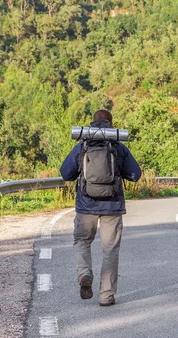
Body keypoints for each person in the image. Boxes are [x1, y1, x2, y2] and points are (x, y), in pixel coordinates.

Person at [60, 110, 141, 306]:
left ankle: (84, 274)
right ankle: (106, 296)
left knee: (81, 241)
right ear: (111, 124)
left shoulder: (83, 146)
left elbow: (65, 173)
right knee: (110, 250)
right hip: (112, 207)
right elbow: (135, 174)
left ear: (91, 123)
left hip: (86, 205)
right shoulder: (117, 147)